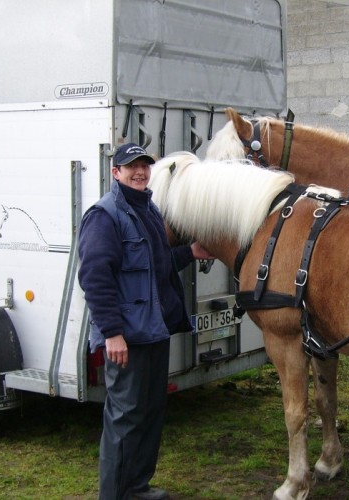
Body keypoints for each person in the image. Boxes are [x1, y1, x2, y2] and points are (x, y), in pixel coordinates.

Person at [78, 143, 213, 500]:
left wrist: (190, 252)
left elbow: (156, 264)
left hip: (154, 331)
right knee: (125, 418)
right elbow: (95, 277)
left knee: (150, 414)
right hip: (128, 338)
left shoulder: (148, 209)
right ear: (115, 172)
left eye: (144, 166)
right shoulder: (105, 215)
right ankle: (116, 494)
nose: (139, 172)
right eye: (130, 166)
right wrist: (113, 333)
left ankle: (136, 487)